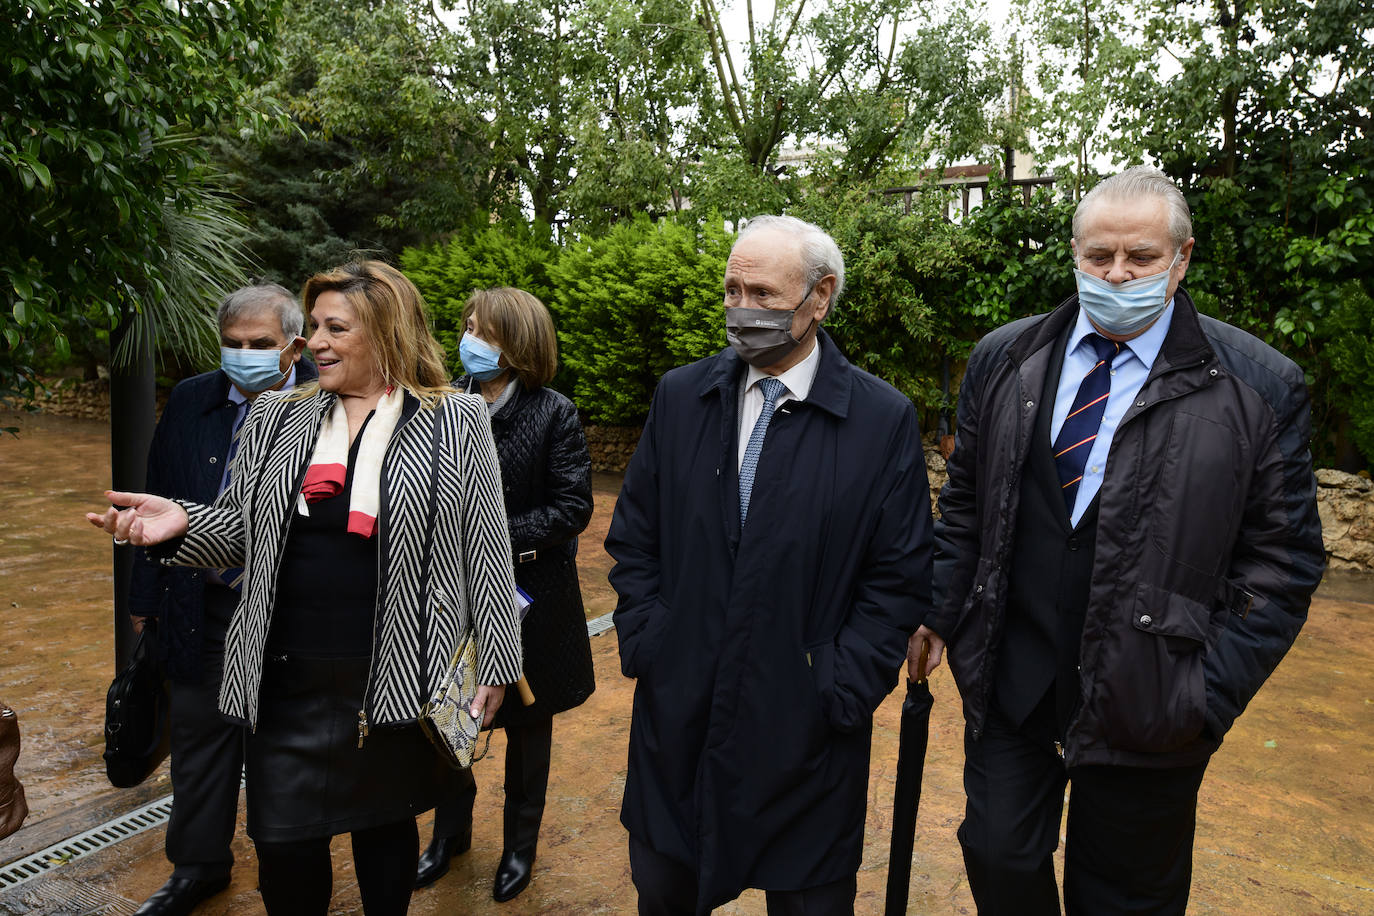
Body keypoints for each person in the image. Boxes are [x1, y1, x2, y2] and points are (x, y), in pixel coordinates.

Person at [910, 166, 1325, 914]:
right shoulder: (1005, 359)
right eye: (1099, 257)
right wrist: (942, 612)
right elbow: (967, 503)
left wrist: (1204, 693)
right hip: (1015, 678)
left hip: (1153, 699)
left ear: (1183, 257)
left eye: (1140, 257)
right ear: (1074, 255)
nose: (1117, 273)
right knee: (997, 854)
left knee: (1126, 897)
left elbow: (1284, 561)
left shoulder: (1259, 387)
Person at [87, 260, 524, 916]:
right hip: (283, 686)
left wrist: (497, 663)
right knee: (284, 851)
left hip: (394, 682)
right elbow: (238, 533)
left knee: (384, 838)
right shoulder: (275, 419)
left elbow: (485, 553)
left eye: (335, 327)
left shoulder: (454, 421)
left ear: (385, 332)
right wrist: (182, 525)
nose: (315, 341)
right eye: (313, 325)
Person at [604, 214, 933, 915]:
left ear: (820, 296)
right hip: (680, 714)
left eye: (761, 293)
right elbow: (635, 538)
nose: (740, 310)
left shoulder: (880, 420)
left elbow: (898, 576)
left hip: (807, 733)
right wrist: (653, 641)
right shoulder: (682, 396)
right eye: (730, 290)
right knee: (664, 889)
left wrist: (838, 686)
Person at [126, 283, 310, 916]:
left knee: (278, 749)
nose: (245, 355)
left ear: (293, 346)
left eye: (260, 345)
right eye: (233, 344)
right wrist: (144, 601)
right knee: (200, 744)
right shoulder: (190, 399)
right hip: (198, 607)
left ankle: (284, 870)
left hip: (283, 615)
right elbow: (157, 495)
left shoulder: (325, 405)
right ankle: (197, 866)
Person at [416, 287, 596, 902]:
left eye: (483, 329)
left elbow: (573, 506)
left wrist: (489, 535)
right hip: (451, 595)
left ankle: (520, 848)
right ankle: (449, 835)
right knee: (448, 719)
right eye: (466, 324)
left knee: (527, 727)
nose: (468, 337)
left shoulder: (554, 413)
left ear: (517, 344)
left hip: (531, 597)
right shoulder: (440, 407)